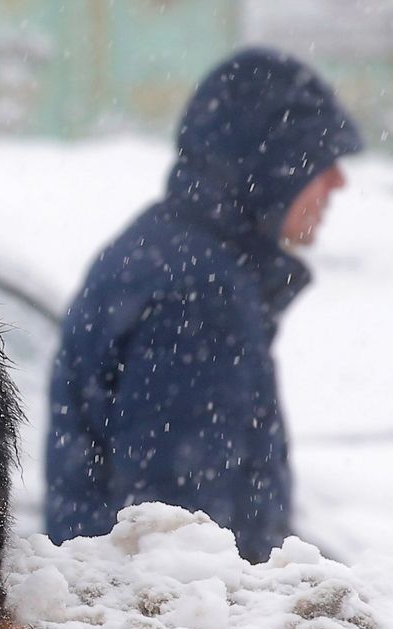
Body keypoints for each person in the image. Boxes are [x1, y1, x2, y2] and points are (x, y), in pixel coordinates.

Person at [45, 46, 363, 561]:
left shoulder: (175, 254)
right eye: (321, 160)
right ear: (271, 165)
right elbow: (180, 543)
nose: (339, 182)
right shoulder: (196, 293)